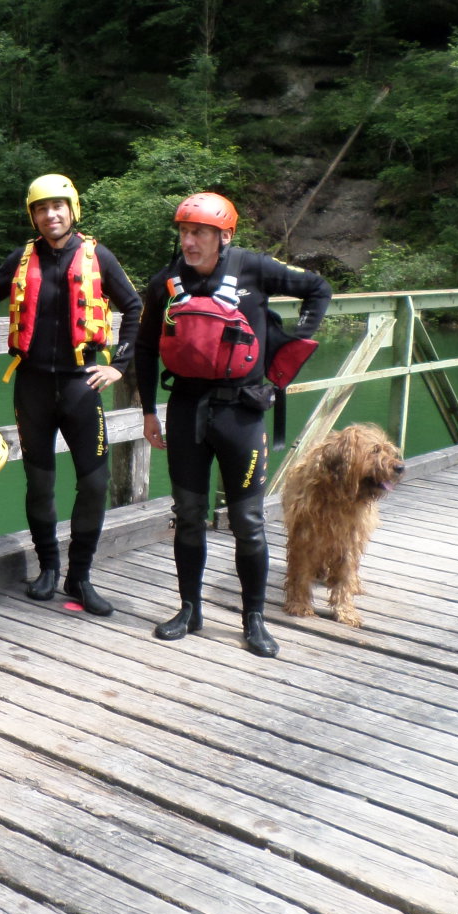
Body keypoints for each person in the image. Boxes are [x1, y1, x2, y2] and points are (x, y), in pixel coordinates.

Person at [135, 192, 332, 657]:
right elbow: (144, 349)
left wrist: (294, 344)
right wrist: (148, 411)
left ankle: (254, 619)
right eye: (184, 231)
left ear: (224, 236)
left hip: (241, 412)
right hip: (186, 410)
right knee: (187, 516)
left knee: (247, 520)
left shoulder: (254, 268)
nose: (189, 241)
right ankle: (189, 609)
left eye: (199, 232)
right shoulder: (165, 282)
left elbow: (317, 288)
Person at [0, 174, 143, 616]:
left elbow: (134, 306)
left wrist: (118, 365)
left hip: (80, 384)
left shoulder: (97, 256)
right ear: (32, 215)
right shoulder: (21, 259)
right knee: (40, 482)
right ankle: (48, 568)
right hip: (31, 383)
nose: (50, 214)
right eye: (41, 208)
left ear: (72, 209)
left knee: (94, 482)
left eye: (58, 206)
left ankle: (80, 575)